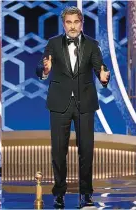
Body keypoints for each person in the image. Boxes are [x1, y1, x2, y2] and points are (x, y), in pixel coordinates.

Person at [36, 6, 110, 208]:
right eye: (68, 22)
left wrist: (104, 77)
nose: (72, 26)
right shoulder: (53, 43)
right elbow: (40, 66)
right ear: (63, 24)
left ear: (82, 23)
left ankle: (86, 193)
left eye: (76, 22)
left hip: (84, 103)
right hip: (59, 103)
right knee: (59, 152)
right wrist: (45, 69)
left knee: (86, 150)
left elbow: (99, 67)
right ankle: (59, 193)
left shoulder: (92, 45)